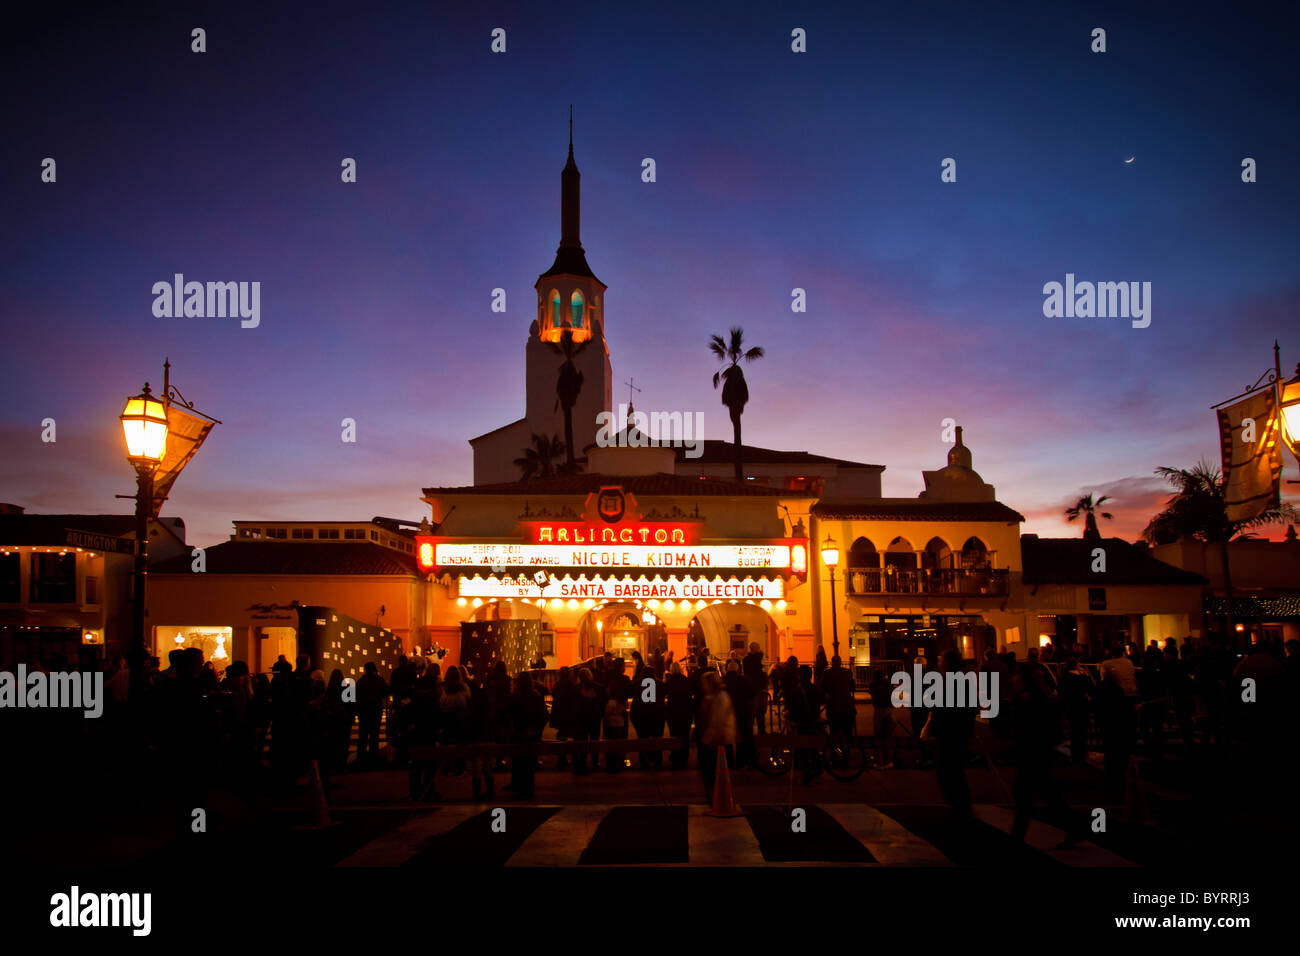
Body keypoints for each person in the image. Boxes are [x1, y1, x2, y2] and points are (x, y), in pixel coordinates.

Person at [929, 650, 976, 829]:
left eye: (942, 661)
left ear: (947, 664)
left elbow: (942, 710)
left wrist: (935, 730)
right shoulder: (962, 682)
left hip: (950, 735)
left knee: (949, 773)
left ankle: (960, 811)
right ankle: (961, 811)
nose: (939, 664)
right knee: (954, 773)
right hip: (958, 734)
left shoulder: (950, 683)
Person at [694, 671, 737, 801]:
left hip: (718, 742)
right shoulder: (717, 696)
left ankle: (716, 798)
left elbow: (716, 721)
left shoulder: (718, 698)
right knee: (714, 774)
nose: (703, 686)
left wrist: (707, 738)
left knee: (713, 773)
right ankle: (717, 797)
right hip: (721, 739)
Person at [1058, 655, 1095, 767]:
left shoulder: (1064, 678)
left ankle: (1075, 756)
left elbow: (1060, 692)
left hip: (1070, 707)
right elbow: (1092, 690)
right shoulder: (1083, 678)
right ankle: (1082, 756)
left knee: (1074, 732)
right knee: (1083, 733)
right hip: (1082, 706)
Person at [722, 660, 756, 769]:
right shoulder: (744, 680)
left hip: (726, 713)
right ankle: (742, 761)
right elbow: (751, 694)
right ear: (738, 669)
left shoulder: (722, 680)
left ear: (727, 670)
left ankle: (728, 762)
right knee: (742, 737)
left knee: (727, 739)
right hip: (742, 712)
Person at [572, 668, 605, 774]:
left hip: (581, 720)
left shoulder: (576, 689)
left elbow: (573, 705)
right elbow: (603, 702)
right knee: (595, 740)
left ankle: (582, 763)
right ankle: (595, 762)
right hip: (594, 718)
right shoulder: (598, 688)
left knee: (582, 742)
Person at [356, 661, 388, 766]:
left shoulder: (361, 681)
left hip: (364, 711)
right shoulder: (379, 680)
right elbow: (385, 692)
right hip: (375, 710)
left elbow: (356, 695)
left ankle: (361, 758)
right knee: (374, 735)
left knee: (363, 736)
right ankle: (373, 758)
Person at [665, 662, 694, 770]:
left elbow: (666, 692)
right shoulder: (686, 680)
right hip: (686, 712)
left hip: (673, 712)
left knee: (674, 735)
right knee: (685, 736)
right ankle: (684, 759)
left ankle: (675, 758)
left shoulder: (670, 681)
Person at [549, 666, 577, 769]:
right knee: (574, 736)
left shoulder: (558, 684)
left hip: (560, 713)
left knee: (562, 735)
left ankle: (561, 758)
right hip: (569, 713)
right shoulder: (571, 685)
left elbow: (554, 696)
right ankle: (573, 759)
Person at [869, 668, 896, 768]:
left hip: (879, 710)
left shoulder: (873, 685)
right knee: (888, 736)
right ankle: (888, 760)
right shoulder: (888, 684)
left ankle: (880, 761)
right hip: (889, 710)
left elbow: (872, 694)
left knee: (879, 736)